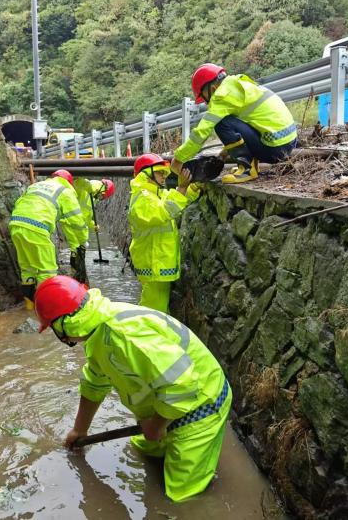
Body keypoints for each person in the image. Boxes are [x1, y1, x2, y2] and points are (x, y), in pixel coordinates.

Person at [34, 275, 232, 503]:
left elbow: (183, 385)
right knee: (143, 450)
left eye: (52, 329)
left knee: (180, 498)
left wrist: (156, 426)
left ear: (63, 326)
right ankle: (163, 430)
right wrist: (79, 430)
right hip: (164, 407)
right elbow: (94, 383)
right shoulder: (97, 332)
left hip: (201, 406)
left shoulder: (125, 336)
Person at [171, 63, 297, 184]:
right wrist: (225, 153)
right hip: (287, 143)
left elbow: (201, 132)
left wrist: (178, 159)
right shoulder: (237, 83)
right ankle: (251, 166)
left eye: (204, 97)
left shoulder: (221, 95)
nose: (205, 102)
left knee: (221, 122)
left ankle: (246, 170)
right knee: (232, 119)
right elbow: (250, 125)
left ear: (212, 88)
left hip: (275, 150)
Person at [128, 153, 199, 313]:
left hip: (157, 260)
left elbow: (180, 199)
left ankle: (150, 333)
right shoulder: (143, 198)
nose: (163, 176)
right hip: (154, 261)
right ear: (146, 174)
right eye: (160, 172)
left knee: (155, 305)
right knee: (154, 310)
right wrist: (181, 187)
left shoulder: (155, 194)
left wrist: (192, 187)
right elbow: (164, 212)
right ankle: (149, 335)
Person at [9, 169, 88, 308]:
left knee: (27, 269)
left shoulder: (36, 185)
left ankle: (30, 307)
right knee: (48, 271)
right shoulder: (66, 191)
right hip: (37, 228)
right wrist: (83, 241)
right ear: (69, 182)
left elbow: (19, 204)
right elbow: (77, 223)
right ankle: (47, 309)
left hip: (15, 225)